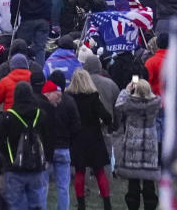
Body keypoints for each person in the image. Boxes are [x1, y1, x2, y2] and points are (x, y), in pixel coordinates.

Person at [0, 82, 49, 210]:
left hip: (14, 168)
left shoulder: (8, 116)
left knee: (14, 204)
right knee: (37, 204)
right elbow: (48, 137)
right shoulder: (41, 115)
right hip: (36, 166)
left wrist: (9, 153)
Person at [67, 69, 114, 210]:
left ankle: (81, 204)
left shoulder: (69, 97)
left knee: (79, 172)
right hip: (94, 137)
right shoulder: (93, 96)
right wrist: (104, 123)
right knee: (99, 171)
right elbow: (106, 116)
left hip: (77, 138)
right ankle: (107, 203)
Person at [112, 78, 159, 210]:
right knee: (149, 182)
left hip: (133, 147)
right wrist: (148, 91)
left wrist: (127, 90)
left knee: (133, 182)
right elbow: (156, 99)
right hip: (149, 148)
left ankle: (133, 206)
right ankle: (150, 205)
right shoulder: (155, 104)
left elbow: (118, 104)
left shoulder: (129, 105)